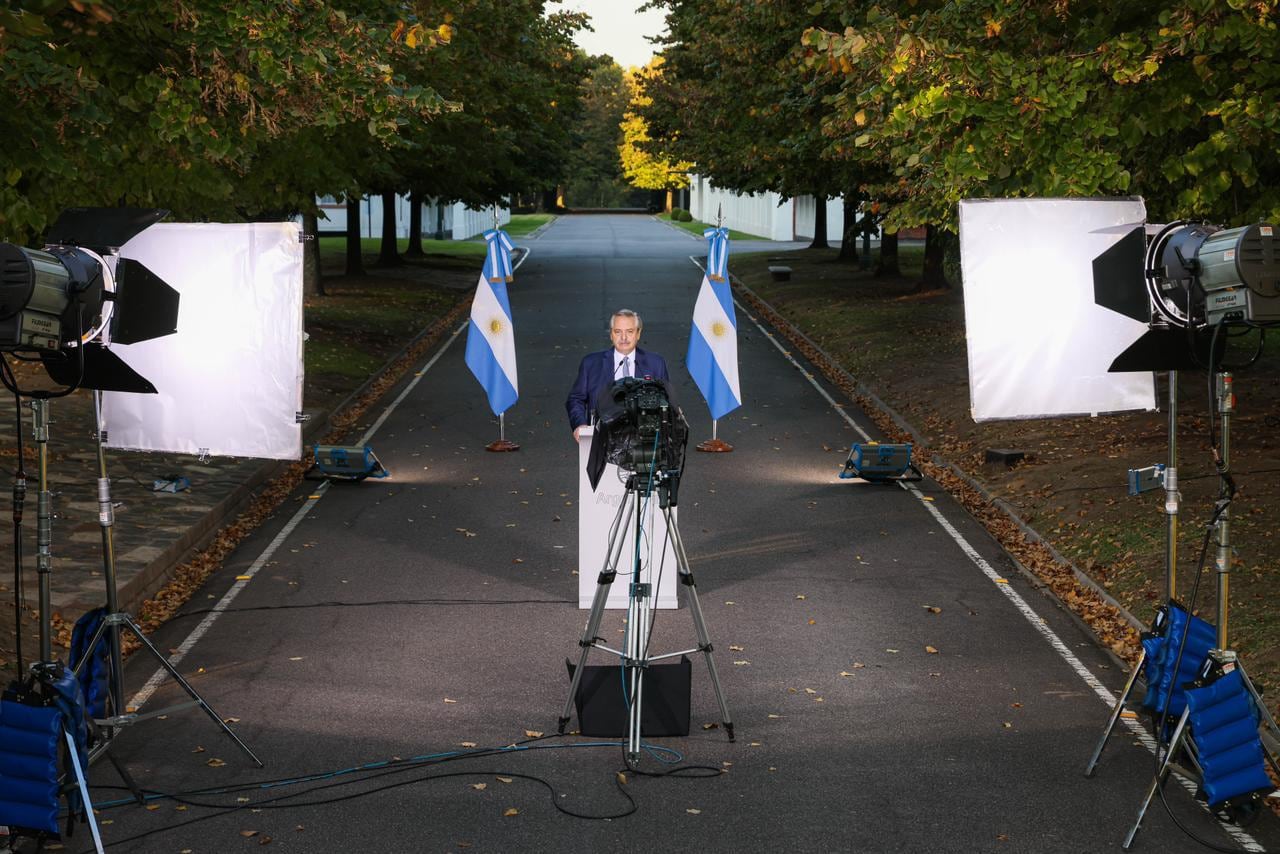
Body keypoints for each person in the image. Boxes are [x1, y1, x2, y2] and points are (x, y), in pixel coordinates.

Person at [566, 309, 669, 441]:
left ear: (638, 333)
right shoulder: (591, 363)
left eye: (629, 332)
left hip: (644, 440)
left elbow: (667, 401)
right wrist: (580, 424)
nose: (624, 338)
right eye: (618, 332)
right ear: (611, 334)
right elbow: (575, 399)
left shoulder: (656, 363)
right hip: (601, 438)